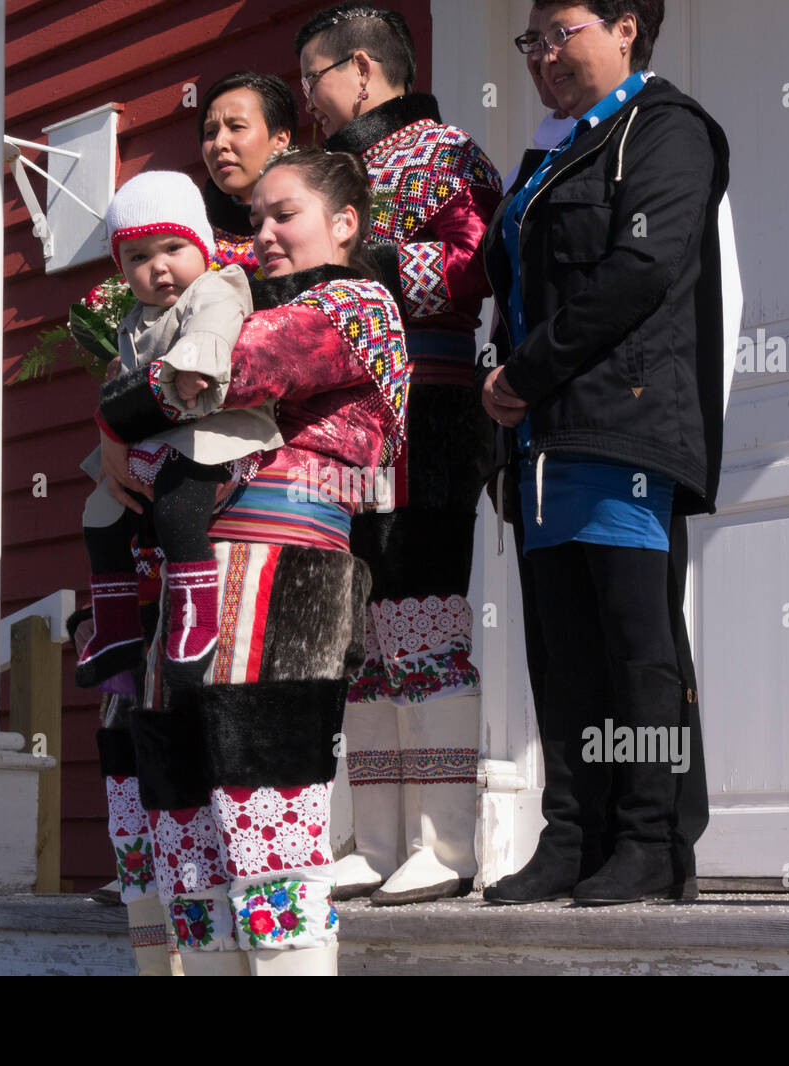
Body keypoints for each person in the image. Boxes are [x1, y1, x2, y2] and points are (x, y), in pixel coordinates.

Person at [96, 147, 408, 975]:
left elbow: (213, 374)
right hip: (196, 579)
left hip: (281, 582)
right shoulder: (225, 302)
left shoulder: (353, 304)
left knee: (262, 807)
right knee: (189, 817)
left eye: (284, 215)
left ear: (345, 222)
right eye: (253, 219)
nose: (261, 234)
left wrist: (111, 417)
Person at [478, 0, 730, 906]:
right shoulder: (547, 152)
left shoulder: (665, 131)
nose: (543, 53)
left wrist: (526, 372)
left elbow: (641, 270)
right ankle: (573, 835)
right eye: (531, 39)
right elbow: (513, 289)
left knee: (637, 646)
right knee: (562, 649)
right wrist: (506, 384)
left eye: (563, 32)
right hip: (543, 442)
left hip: (622, 426)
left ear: (627, 26)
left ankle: (651, 839)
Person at [295, 2, 503, 906]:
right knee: (367, 627)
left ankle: (446, 842)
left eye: (314, 77)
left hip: (432, 406)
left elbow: (476, 263)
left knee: (424, 607)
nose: (307, 97)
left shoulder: (447, 152)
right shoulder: (336, 171)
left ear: (364, 70)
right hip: (353, 424)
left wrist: (362, 264)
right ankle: (376, 840)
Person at [74, 170, 281, 693]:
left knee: (177, 502)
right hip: (159, 437)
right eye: (138, 258)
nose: (158, 268)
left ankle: (196, 615)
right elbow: (124, 385)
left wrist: (192, 363)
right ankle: (117, 628)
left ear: (203, 246)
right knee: (101, 514)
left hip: (220, 435)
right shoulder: (136, 320)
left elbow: (212, 327)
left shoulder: (216, 285)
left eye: (172, 248)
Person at [196, 72, 297, 275]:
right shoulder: (191, 236)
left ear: (280, 139)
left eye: (236, 127)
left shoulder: (318, 221)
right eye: (210, 132)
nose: (219, 144)